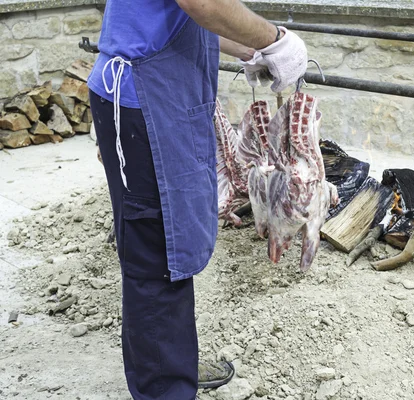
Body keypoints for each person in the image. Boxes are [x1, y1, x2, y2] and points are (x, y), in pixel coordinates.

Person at [86, 0, 307, 398]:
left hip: (154, 98)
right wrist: (276, 40)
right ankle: (165, 389)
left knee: (165, 250)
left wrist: (242, 45)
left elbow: (169, 15)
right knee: (158, 257)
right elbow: (201, 2)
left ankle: (171, 367)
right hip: (145, 102)